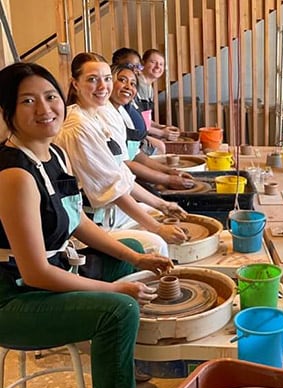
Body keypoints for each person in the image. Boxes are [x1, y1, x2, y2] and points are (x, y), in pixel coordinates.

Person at [0, 62, 174, 388]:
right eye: (28, 100)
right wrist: (112, 289)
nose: (44, 108)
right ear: (7, 112)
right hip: (15, 299)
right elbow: (36, 272)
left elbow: (77, 221)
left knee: (133, 248)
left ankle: (119, 368)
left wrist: (135, 261)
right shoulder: (14, 175)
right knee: (119, 309)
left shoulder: (52, 153)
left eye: (49, 96)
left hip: (51, 273)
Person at [54, 52, 187, 256]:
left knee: (158, 213)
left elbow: (121, 173)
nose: (102, 87)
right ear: (75, 84)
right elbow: (112, 188)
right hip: (92, 224)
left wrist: (164, 205)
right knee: (157, 243)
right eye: (92, 80)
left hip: (111, 212)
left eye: (106, 79)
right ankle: (148, 286)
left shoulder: (104, 113)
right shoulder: (77, 127)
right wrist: (158, 228)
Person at [109, 63, 194, 191]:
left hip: (128, 174)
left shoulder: (122, 111)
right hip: (116, 183)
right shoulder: (106, 116)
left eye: (132, 84)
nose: (128, 87)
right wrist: (167, 179)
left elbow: (136, 154)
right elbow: (125, 163)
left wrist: (170, 172)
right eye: (122, 80)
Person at [111, 47, 165, 155]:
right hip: (135, 147)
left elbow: (145, 120)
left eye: (138, 66)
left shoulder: (127, 100)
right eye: (122, 80)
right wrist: (162, 132)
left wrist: (161, 129)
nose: (136, 70)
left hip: (136, 145)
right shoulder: (114, 107)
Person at [136, 48, 180, 143]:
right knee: (160, 146)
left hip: (142, 130)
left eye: (161, 64)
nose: (157, 67)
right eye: (153, 62)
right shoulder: (139, 84)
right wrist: (162, 133)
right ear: (143, 63)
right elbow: (137, 121)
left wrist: (162, 127)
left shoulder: (149, 87)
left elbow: (146, 120)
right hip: (134, 133)